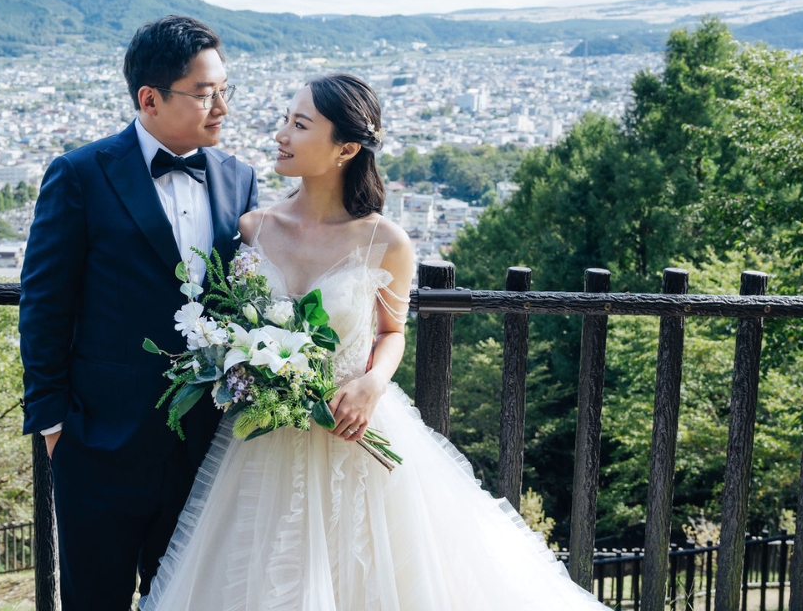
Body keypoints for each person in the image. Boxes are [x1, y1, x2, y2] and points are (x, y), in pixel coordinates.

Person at [146, 73, 606, 610]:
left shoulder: (384, 241)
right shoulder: (254, 228)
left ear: (346, 148)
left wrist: (371, 383)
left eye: (298, 125)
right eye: (284, 121)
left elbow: (392, 332)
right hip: (264, 435)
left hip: (351, 429)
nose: (281, 135)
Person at [18, 16, 259, 611]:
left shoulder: (239, 179)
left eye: (225, 90)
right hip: (98, 444)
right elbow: (44, 303)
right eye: (205, 94)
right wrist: (54, 426)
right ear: (149, 98)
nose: (221, 107)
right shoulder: (80, 175)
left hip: (205, 446)